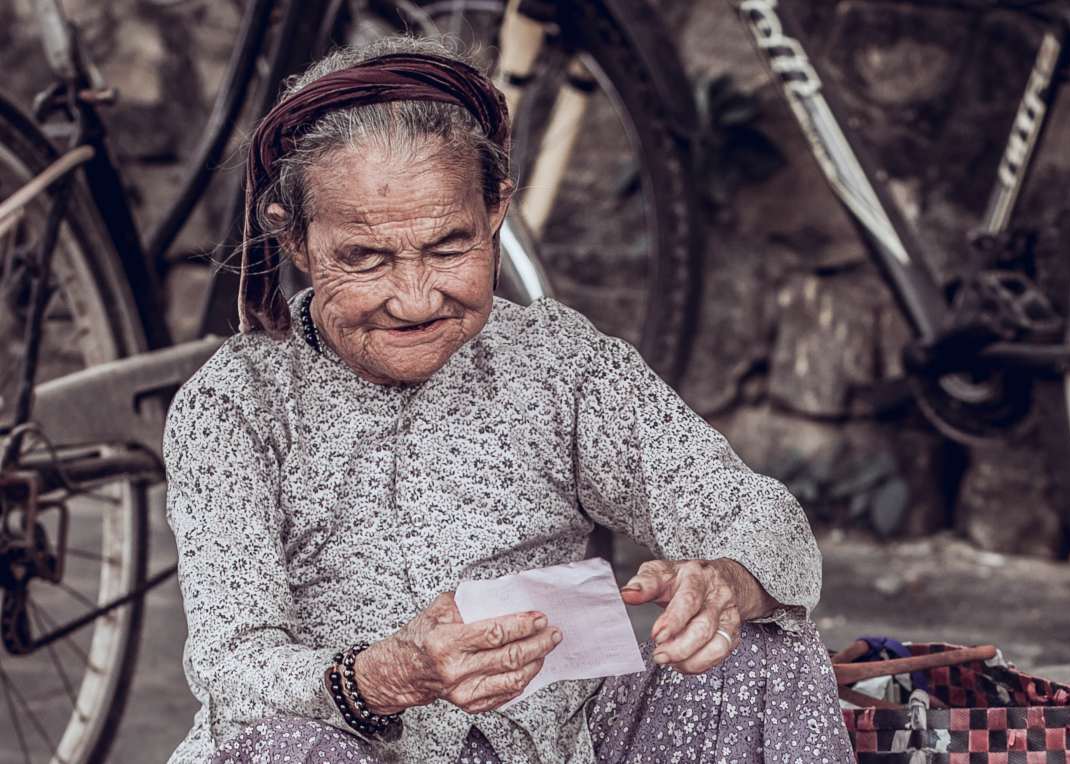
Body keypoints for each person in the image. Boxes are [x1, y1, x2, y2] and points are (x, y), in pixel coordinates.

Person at [164, 34, 853, 764]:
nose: (414, 298)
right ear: (296, 238)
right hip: (344, 750)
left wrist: (728, 582)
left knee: (756, 646)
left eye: (449, 248)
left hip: (555, 747)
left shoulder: (558, 361)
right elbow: (229, 664)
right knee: (279, 751)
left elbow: (756, 513)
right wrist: (385, 676)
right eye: (364, 257)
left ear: (497, 207)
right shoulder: (235, 406)